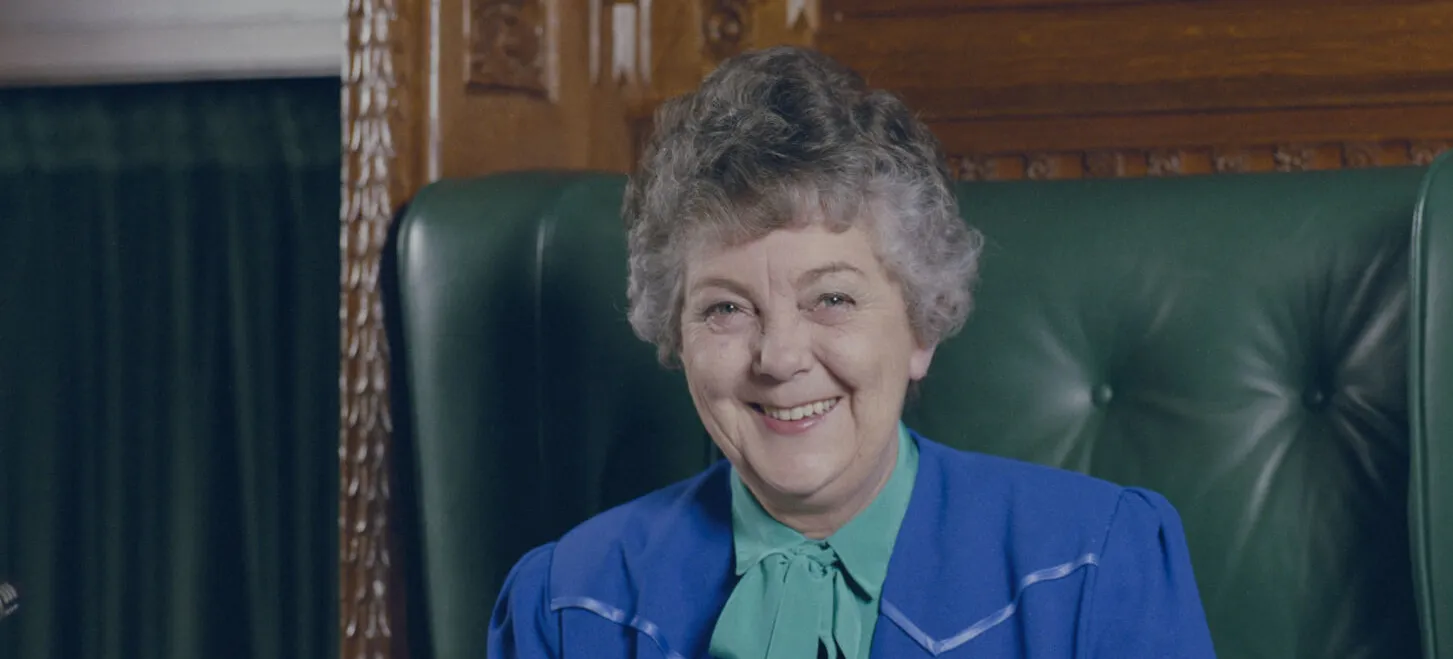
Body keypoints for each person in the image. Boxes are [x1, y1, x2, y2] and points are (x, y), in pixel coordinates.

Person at [487, 46, 1216, 659]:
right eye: (725, 308)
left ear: (923, 325)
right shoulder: (565, 606)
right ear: (676, 335)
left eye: (830, 298)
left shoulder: (1096, 563)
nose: (778, 356)